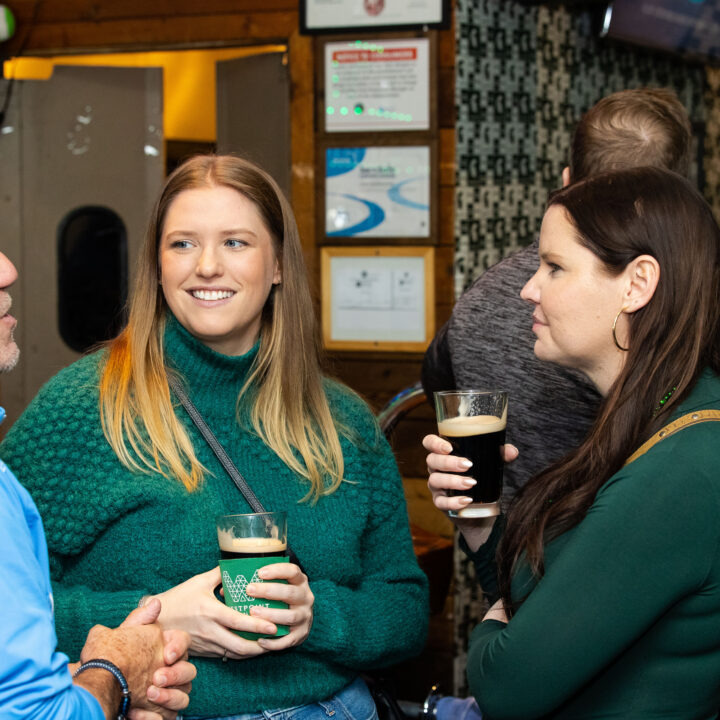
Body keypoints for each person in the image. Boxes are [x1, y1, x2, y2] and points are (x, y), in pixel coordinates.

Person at [0, 155, 429, 720]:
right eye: (182, 244)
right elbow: (15, 608)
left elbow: (405, 606)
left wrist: (315, 618)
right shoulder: (83, 408)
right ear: (156, 265)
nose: (206, 266)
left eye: (235, 243)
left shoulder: (342, 420)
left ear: (277, 264)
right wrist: (156, 618)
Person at [429, 167, 720, 717]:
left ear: (636, 284)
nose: (527, 288)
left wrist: (494, 632)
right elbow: (530, 602)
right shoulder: (644, 422)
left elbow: (505, 686)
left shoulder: (685, 467)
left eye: (554, 267)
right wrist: (480, 523)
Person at [422, 88, 693, 501]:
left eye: (556, 269)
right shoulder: (690, 305)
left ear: (567, 181)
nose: (532, 292)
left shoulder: (480, 296)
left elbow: (437, 379)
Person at [0, 250, 197, 719]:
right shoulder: (79, 404)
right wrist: (117, 669)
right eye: (183, 244)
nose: (9, 269)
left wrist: (77, 680)